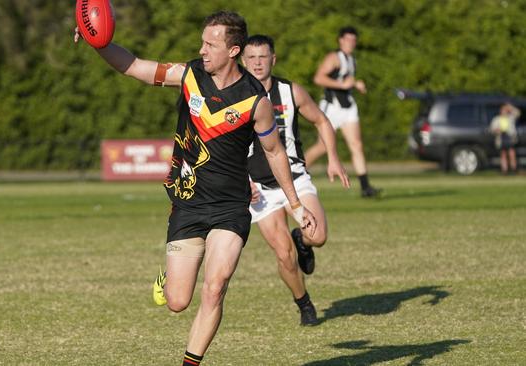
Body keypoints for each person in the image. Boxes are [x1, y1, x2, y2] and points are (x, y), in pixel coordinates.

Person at [75, 11, 316, 366]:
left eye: (211, 44)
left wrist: (296, 205)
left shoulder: (255, 100)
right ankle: (170, 275)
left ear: (234, 50)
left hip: (232, 207)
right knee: (177, 301)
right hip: (188, 204)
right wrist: (99, 42)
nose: (202, 50)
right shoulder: (189, 75)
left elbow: (275, 151)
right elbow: (134, 67)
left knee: (215, 287)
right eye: (202, 42)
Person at [241, 35, 350, 326]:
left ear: (273, 59)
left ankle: (302, 240)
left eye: (263, 57)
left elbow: (322, 121)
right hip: (260, 191)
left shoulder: (290, 91)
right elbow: (222, 145)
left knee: (318, 236)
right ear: (242, 61)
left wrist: (334, 158)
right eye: (251, 57)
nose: (257, 63)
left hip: (296, 178)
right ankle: (304, 304)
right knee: (284, 256)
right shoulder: (233, 97)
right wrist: (241, 180)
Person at [303, 26, 381, 198]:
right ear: (340, 40)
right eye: (348, 40)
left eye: (354, 40)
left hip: (348, 106)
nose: (351, 43)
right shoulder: (334, 57)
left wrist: (355, 84)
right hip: (332, 108)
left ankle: (365, 187)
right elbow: (318, 78)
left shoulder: (351, 59)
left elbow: (345, 80)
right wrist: (343, 85)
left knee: (356, 145)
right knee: (322, 147)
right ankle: (296, 174)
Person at [490, 103, 521, 175]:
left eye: (505, 110)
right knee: (503, 154)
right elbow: (492, 128)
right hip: (501, 137)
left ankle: (513, 169)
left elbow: (518, 112)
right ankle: (505, 170)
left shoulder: (511, 118)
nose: (504, 111)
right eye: (503, 110)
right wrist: (496, 130)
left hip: (509, 137)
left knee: (511, 153)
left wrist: (510, 106)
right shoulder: (497, 119)